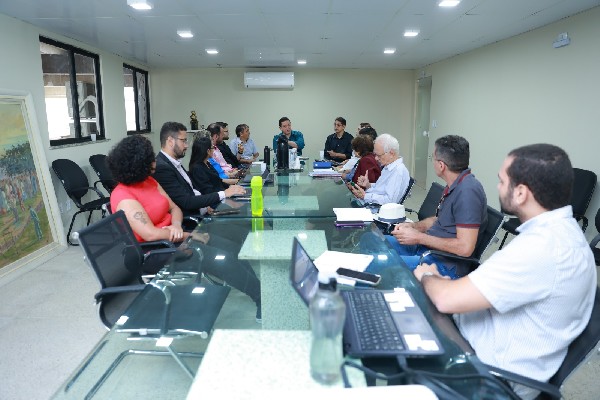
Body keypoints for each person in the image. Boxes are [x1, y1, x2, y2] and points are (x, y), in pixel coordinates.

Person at [413, 144, 596, 399]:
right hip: (478, 342)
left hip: (486, 376)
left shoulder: (542, 249)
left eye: (501, 181)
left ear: (520, 193)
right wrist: (448, 286)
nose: (498, 187)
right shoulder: (561, 235)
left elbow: (445, 299)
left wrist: (428, 276)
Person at [107, 134, 262, 321]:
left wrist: (176, 225)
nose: (154, 162)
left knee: (232, 247)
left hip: (177, 236)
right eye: (149, 159)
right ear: (137, 163)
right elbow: (150, 234)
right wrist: (188, 235)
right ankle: (260, 297)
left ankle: (259, 292)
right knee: (223, 259)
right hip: (157, 250)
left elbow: (174, 208)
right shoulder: (123, 196)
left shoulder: (150, 181)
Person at [388, 135, 487, 279]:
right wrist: (414, 227)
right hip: (428, 248)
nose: (432, 161)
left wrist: (419, 238)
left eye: (433, 158)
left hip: (444, 264)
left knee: (384, 265)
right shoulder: (454, 184)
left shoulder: (468, 192)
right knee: (376, 242)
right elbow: (439, 220)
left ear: (441, 165)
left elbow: (465, 248)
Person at [153, 121, 245, 217]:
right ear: (170, 141)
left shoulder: (174, 163)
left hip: (203, 210)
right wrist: (224, 194)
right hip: (193, 220)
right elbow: (186, 201)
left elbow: (192, 191)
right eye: (183, 141)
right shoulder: (162, 167)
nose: (186, 145)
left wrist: (205, 207)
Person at [348, 133, 409, 205]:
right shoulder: (388, 166)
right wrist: (368, 185)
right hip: (371, 202)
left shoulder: (398, 172)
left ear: (391, 153)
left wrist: (365, 196)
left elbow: (390, 201)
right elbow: (380, 188)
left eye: (379, 155)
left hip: (377, 208)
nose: (376, 158)